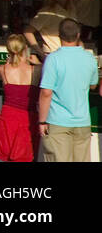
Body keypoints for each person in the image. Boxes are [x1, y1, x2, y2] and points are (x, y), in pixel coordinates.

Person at [38, 17, 99, 162]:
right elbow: (93, 85)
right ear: (78, 35)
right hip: (82, 121)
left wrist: (42, 121)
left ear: (59, 36)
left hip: (57, 121)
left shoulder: (53, 59)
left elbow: (46, 92)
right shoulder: (89, 58)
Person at [0, 33, 37, 163]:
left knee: (8, 156)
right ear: (25, 48)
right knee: (26, 156)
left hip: (8, 117)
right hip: (28, 118)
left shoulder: (3, 69)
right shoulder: (35, 70)